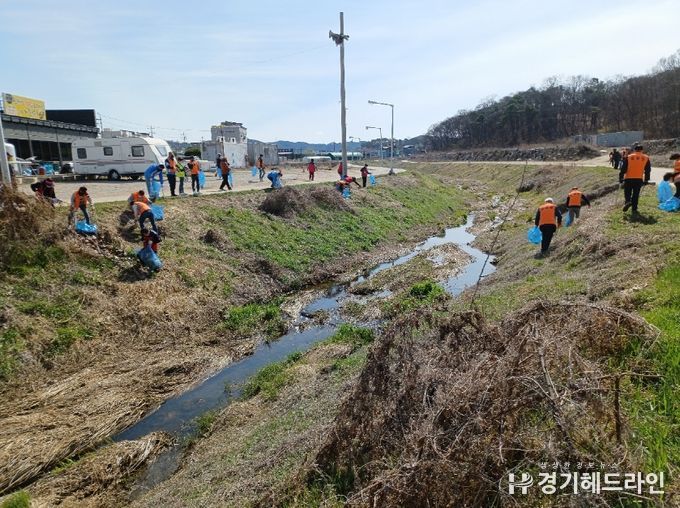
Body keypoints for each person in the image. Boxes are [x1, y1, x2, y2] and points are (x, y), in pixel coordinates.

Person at [619, 144, 651, 214]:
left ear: (634, 150)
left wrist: (621, 177)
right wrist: (646, 179)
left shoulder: (629, 157)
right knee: (636, 194)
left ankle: (628, 201)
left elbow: (623, 169)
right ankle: (634, 208)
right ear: (642, 150)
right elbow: (648, 170)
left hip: (628, 178)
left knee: (627, 192)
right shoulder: (646, 158)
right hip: (639, 179)